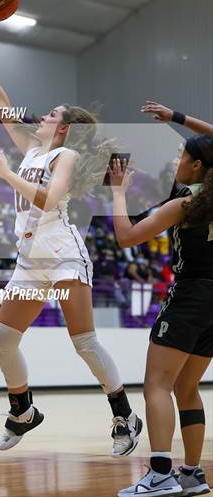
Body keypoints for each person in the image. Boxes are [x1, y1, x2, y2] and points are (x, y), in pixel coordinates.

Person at [0, 32, 143, 456]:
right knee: (4, 341)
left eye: (50, 114)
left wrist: (5, 173)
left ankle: (124, 416)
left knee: (84, 342)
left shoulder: (66, 157)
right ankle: (22, 411)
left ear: (62, 128)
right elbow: (4, 109)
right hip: (29, 258)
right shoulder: (31, 148)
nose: (40, 117)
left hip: (61, 252)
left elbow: (48, 199)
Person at [110, 128, 212, 494]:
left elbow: (126, 237)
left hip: (190, 297)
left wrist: (118, 192)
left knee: (157, 384)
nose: (176, 161)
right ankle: (192, 473)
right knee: (187, 386)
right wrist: (175, 118)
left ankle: (160, 474)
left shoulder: (186, 205)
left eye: (182, 156)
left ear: (198, 166)